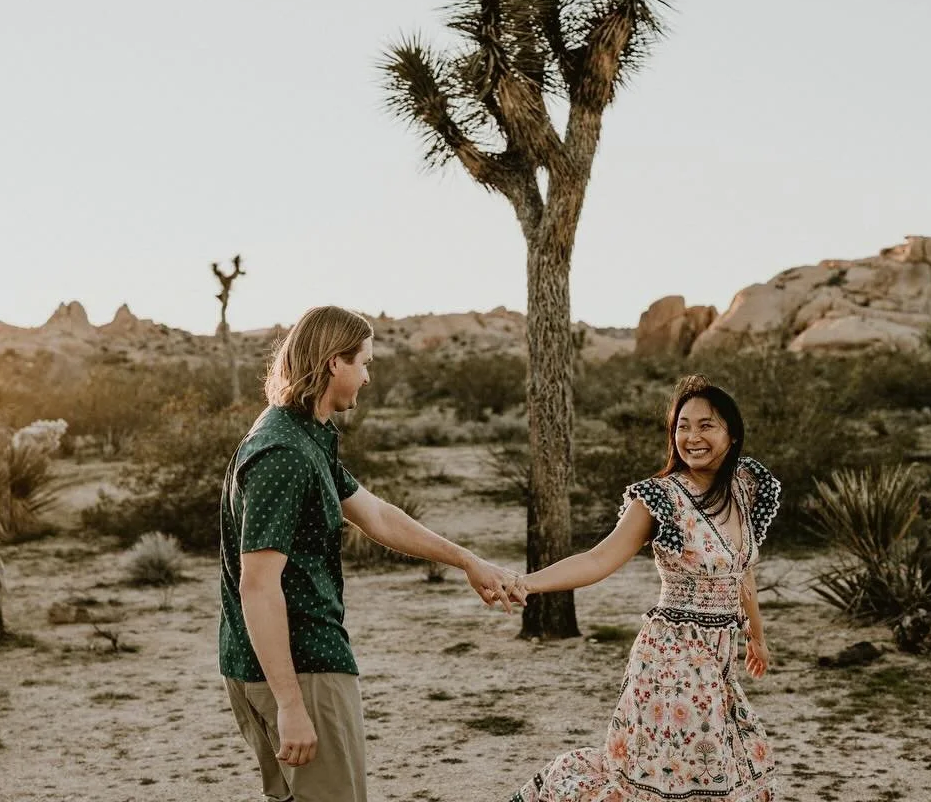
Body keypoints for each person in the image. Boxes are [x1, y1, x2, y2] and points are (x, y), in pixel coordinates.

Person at [219, 305, 518, 802]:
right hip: (301, 666)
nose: (367, 377)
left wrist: (467, 560)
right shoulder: (284, 452)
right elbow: (258, 584)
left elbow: (376, 515)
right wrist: (292, 704)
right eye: (364, 363)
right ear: (335, 363)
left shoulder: (303, 433)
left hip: (275, 663)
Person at [508, 375, 781, 801]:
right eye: (682, 426)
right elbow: (598, 559)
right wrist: (526, 583)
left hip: (719, 659)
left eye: (706, 425)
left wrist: (757, 639)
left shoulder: (745, 489)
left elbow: (743, 573)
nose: (691, 437)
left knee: (714, 770)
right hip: (672, 660)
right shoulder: (660, 498)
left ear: (733, 433)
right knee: (677, 778)